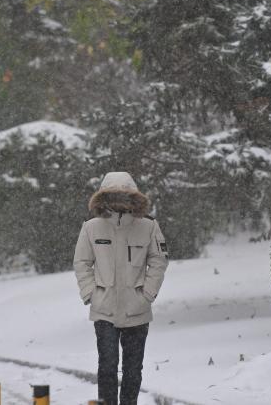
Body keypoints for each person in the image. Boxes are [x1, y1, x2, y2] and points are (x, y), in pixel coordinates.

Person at [74, 172, 169, 405]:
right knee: (107, 366)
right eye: (113, 196)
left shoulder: (148, 227)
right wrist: (90, 294)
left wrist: (147, 294)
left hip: (137, 311)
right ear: (103, 198)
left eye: (124, 196)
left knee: (133, 370)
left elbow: (159, 260)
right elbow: (81, 262)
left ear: (133, 198)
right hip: (103, 310)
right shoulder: (91, 228)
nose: (118, 201)